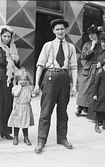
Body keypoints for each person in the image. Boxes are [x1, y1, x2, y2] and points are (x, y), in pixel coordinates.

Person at [33, 19, 77, 154]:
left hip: (64, 78)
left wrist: (74, 85)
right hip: (50, 77)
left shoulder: (71, 47)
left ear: (65, 30)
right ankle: (41, 140)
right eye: (57, 29)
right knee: (46, 111)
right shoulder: (48, 45)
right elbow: (40, 65)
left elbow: (74, 67)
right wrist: (36, 84)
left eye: (62, 29)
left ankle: (62, 138)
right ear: (53, 31)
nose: (60, 31)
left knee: (63, 111)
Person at [76, 25, 103, 116]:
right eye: (89, 34)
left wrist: (101, 64)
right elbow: (83, 56)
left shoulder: (101, 45)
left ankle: (89, 108)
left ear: (97, 34)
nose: (91, 36)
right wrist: (92, 47)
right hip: (88, 68)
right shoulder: (87, 45)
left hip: (97, 68)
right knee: (84, 87)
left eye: (93, 33)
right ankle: (79, 107)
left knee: (94, 88)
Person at [8, 68, 35, 146]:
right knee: (16, 123)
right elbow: (15, 94)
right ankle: (15, 136)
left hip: (26, 108)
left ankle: (26, 137)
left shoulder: (29, 88)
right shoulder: (15, 87)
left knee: (25, 123)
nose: (23, 81)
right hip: (18, 107)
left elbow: (31, 95)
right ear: (17, 80)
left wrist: (33, 94)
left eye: (24, 80)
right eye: (21, 80)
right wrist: (20, 87)